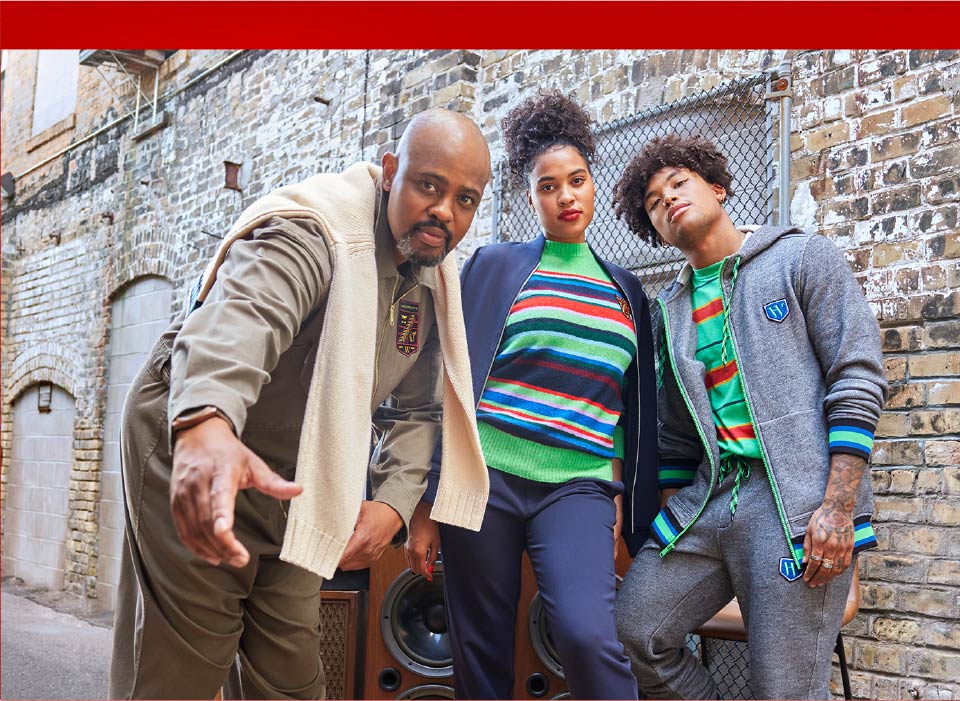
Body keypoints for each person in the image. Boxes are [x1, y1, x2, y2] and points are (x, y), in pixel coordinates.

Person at [108, 109, 493, 700]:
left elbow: (416, 411)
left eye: (465, 199)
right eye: (429, 185)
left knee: (291, 673)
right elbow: (244, 315)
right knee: (188, 659)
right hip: (201, 443)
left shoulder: (429, 280)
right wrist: (207, 422)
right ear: (391, 172)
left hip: (301, 476)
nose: (445, 210)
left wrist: (393, 502)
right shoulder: (317, 231)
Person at [610, 134, 887, 700]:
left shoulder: (803, 258)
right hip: (707, 503)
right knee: (633, 632)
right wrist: (670, 519)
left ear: (716, 186)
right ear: (654, 229)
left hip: (795, 504)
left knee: (783, 689)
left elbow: (857, 379)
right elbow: (674, 436)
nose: (667, 200)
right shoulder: (669, 312)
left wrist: (837, 508)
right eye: (654, 203)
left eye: (678, 183)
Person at [405, 91, 658, 700]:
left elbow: (629, 409)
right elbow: (449, 382)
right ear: (531, 198)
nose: (566, 196)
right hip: (483, 480)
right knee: (480, 650)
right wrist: (425, 500)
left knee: (586, 635)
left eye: (576, 180)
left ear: (593, 184)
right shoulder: (493, 266)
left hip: (578, 488)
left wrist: (618, 488)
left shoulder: (629, 293)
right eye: (549, 186)